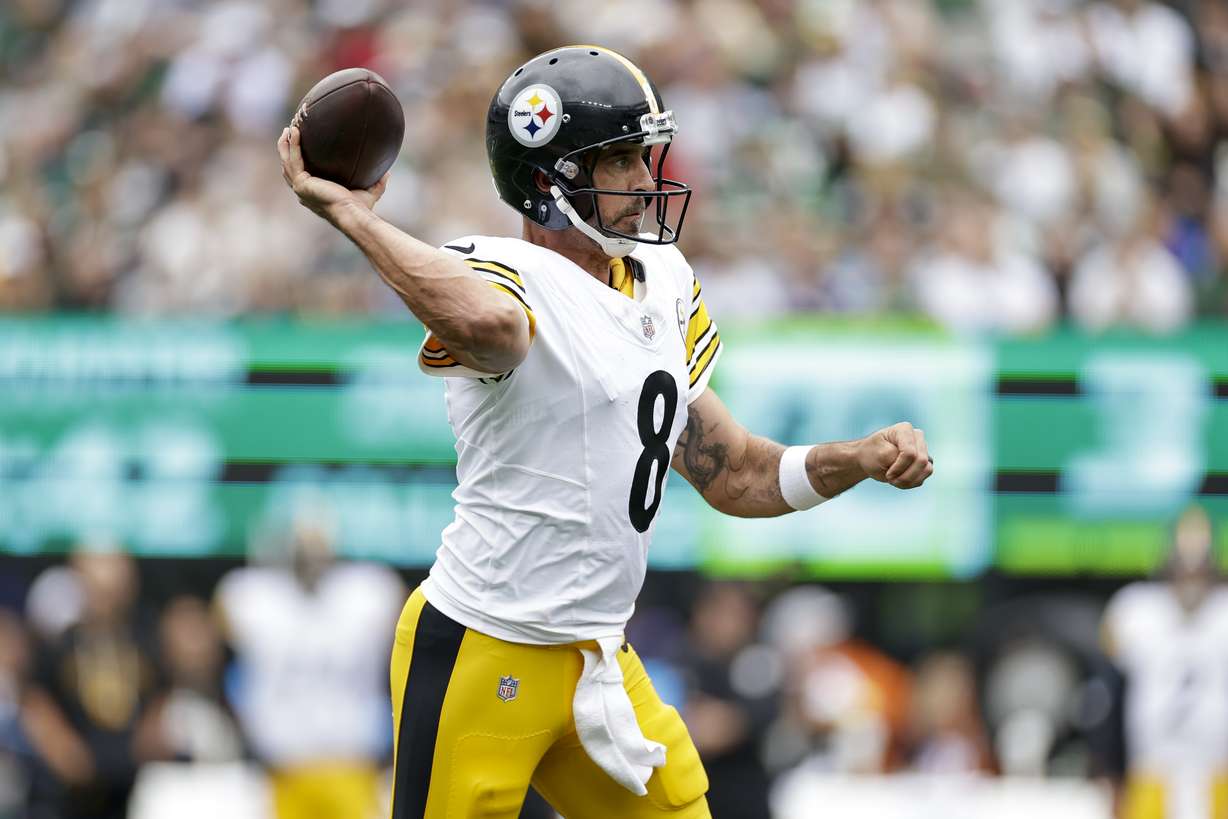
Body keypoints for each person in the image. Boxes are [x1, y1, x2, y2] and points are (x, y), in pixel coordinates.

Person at [277, 44, 934, 819]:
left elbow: (736, 473)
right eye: (620, 159)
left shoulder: (664, 279)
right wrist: (353, 217)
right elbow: (492, 326)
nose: (645, 180)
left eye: (642, 156)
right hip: (484, 643)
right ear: (546, 180)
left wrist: (855, 457)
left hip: (599, 654)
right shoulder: (502, 271)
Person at [1101, 505, 1228, 819]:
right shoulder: (1136, 610)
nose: (1190, 578)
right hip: (1152, 766)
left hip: (1216, 767)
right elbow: (1110, 692)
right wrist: (1111, 768)